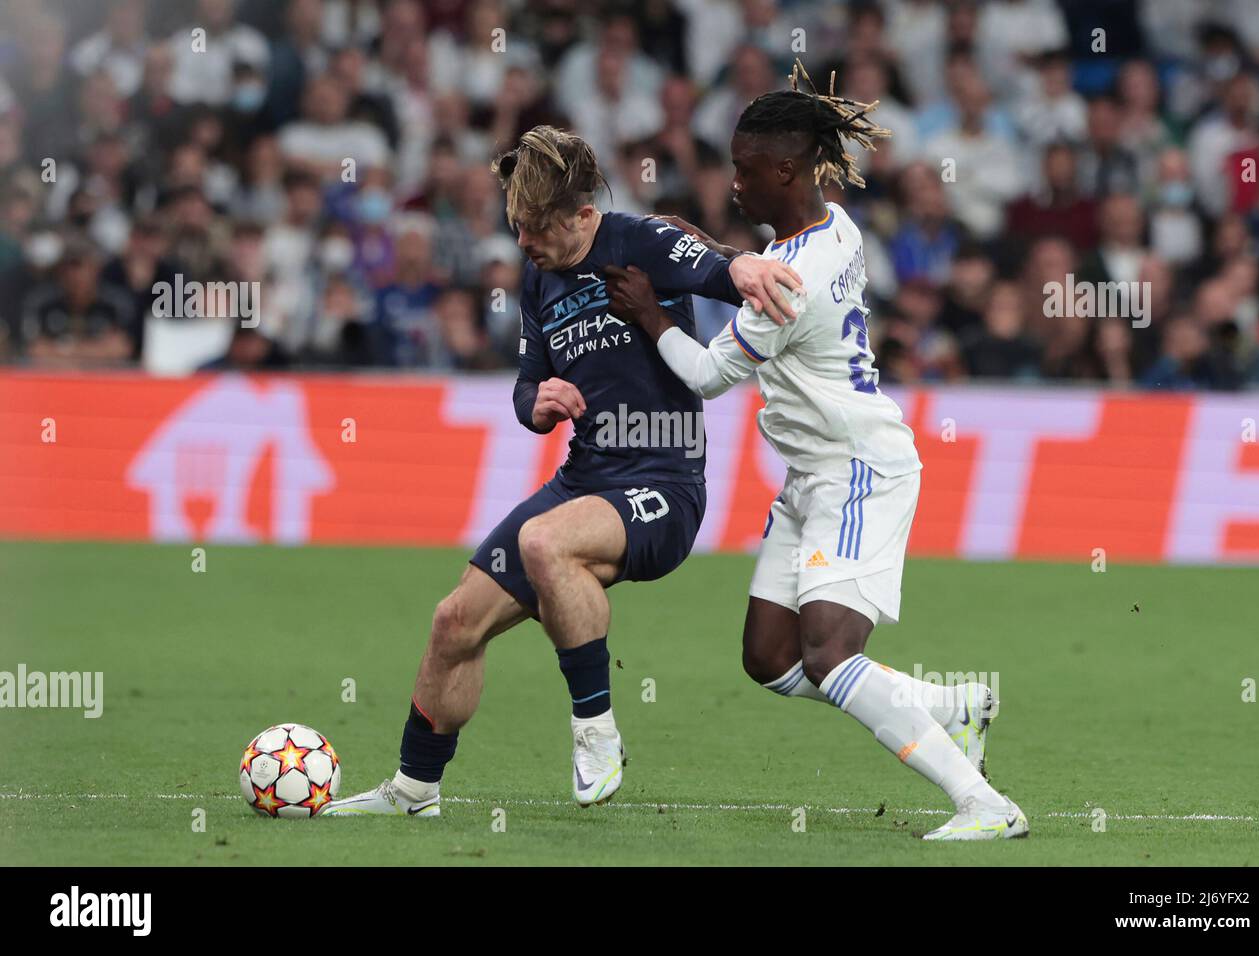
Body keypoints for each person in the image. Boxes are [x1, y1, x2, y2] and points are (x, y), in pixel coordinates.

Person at [325, 126, 802, 817]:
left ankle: (596, 733)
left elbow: (714, 268)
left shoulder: (639, 240)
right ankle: (413, 789)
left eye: (536, 229)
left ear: (583, 216)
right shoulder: (538, 277)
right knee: (453, 621)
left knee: (547, 543)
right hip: (584, 480)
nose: (523, 243)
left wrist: (747, 266)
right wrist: (538, 404)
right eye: (516, 228)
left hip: (663, 485)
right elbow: (527, 384)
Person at [604, 63, 1028, 841]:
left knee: (831, 654)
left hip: (859, 469)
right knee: (769, 658)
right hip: (812, 475)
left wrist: (649, 315)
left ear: (786, 169)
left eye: (744, 169)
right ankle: (951, 706)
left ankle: (986, 806)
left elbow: (704, 376)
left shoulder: (788, 278)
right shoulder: (834, 225)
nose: (732, 183)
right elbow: (771, 272)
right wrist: (715, 250)